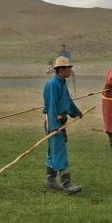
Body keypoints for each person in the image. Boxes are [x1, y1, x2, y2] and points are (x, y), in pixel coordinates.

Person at [43, 56, 83, 195]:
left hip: (59, 122)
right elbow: (51, 107)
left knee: (53, 151)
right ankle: (67, 185)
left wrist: (76, 112)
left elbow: (68, 101)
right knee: (60, 152)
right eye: (68, 68)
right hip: (54, 123)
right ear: (61, 70)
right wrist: (54, 127)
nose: (70, 71)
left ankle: (50, 180)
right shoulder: (53, 85)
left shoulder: (62, 83)